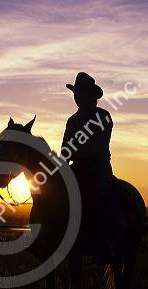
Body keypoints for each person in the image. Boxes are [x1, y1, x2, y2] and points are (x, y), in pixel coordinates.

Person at [62, 72, 116, 258]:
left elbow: (99, 145)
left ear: (90, 96)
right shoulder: (72, 121)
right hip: (77, 167)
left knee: (103, 195)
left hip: (98, 167)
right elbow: (65, 149)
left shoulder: (103, 116)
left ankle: (107, 241)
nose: (77, 97)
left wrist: (76, 154)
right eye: (76, 93)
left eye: (80, 93)